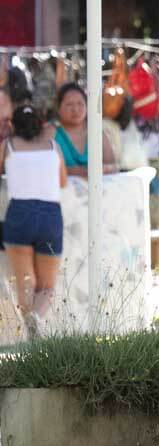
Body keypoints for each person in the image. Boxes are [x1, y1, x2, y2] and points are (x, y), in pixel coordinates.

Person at [0, 105, 68, 336]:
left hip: (18, 213)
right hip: (49, 214)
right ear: (41, 124)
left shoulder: (8, 147)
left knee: (24, 280)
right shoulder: (53, 147)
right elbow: (63, 182)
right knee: (47, 286)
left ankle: (31, 332)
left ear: (13, 127)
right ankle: (37, 317)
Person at [52, 83, 117, 177]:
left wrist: (103, 169)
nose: (75, 109)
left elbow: (113, 167)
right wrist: (69, 171)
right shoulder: (50, 132)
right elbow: (41, 168)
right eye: (69, 104)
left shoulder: (97, 132)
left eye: (80, 103)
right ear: (58, 107)